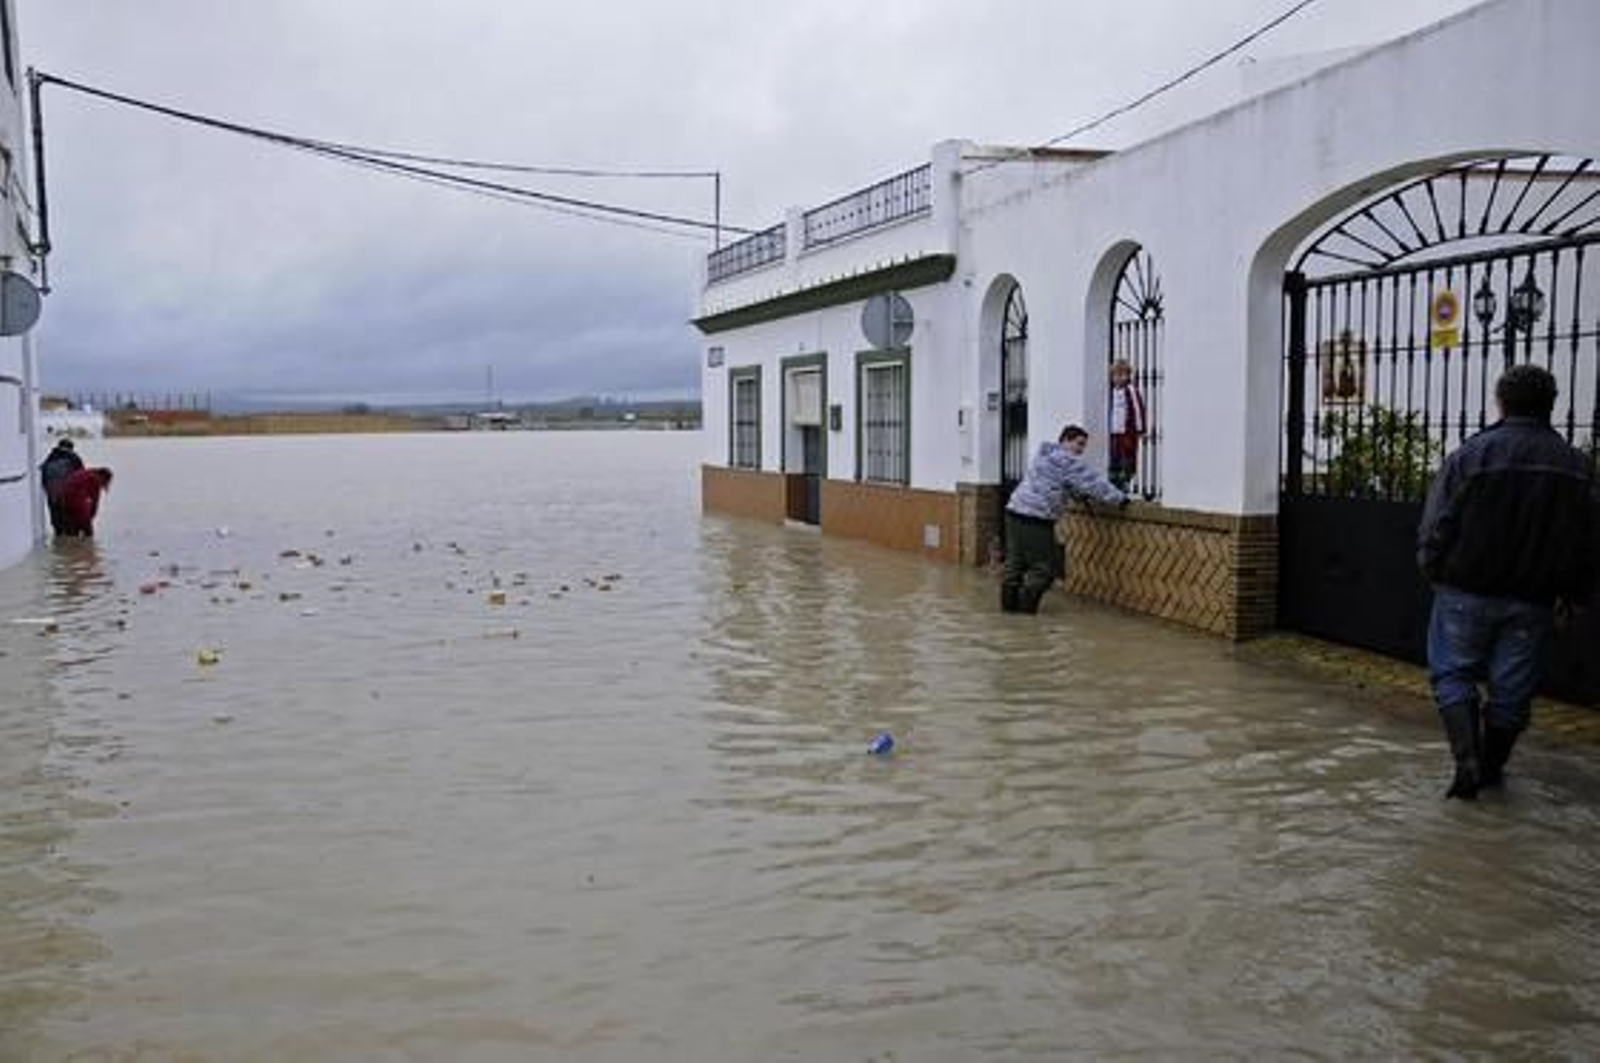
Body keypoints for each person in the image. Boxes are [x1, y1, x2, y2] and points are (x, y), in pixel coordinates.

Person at [1417, 364, 1597, 800]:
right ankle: (1492, 769)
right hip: (1533, 600)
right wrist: (1574, 595)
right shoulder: (1578, 467)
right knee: (1512, 690)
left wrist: (1432, 567)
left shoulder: (1472, 455)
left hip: (1465, 590)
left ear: (1500, 402)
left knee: (1452, 675)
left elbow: (1437, 522)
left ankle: (1468, 763)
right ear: (1550, 405)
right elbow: (1588, 540)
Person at [1002, 424, 1128, 614]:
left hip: (1014, 511)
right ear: (1065, 440)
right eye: (1079, 444)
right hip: (1035, 517)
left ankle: (1009, 617)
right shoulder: (1066, 460)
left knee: (1015, 564)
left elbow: (1060, 483)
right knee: (1045, 569)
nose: (1080, 450)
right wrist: (1120, 499)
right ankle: (1026, 616)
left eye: (1083, 446)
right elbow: (1092, 481)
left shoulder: (1045, 455)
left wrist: (1077, 494)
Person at [1108, 359, 1147, 493]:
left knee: (1128, 456)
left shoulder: (1130, 390)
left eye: (1122, 374)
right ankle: (1114, 480)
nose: (1118, 378)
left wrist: (1140, 429)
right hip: (1114, 431)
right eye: (1115, 375)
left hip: (1127, 432)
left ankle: (1125, 481)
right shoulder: (1111, 391)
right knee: (1114, 456)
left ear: (1128, 375)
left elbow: (1137, 409)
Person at [39, 437, 85, 535]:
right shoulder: (74, 458)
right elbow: (82, 478)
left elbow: (44, 479)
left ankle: (58, 542)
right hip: (68, 498)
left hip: (52, 496)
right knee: (71, 529)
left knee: (57, 526)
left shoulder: (49, 458)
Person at [53, 467, 114, 538]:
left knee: (71, 534)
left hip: (62, 502)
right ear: (103, 477)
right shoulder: (95, 479)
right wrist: (89, 520)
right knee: (88, 534)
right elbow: (94, 502)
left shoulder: (84, 473)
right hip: (75, 504)